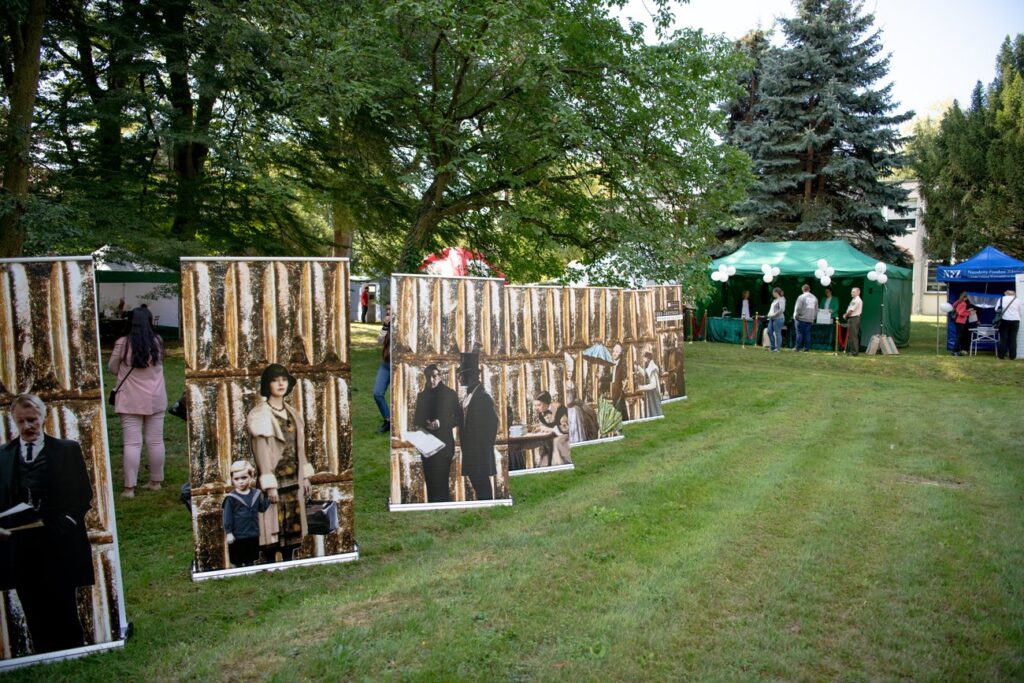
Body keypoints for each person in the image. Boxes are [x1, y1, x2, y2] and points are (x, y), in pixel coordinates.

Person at [0, 394, 94, 654]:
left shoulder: (67, 450)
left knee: (64, 605)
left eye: (32, 420)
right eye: (21, 421)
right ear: (13, 421)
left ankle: (74, 654)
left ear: (44, 417)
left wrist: (68, 520)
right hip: (19, 547)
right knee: (32, 608)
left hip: (59, 544)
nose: (27, 426)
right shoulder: (3, 456)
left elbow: (83, 494)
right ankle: (42, 656)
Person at [247, 364, 313, 563]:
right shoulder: (260, 414)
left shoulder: (293, 413)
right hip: (276, 480)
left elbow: (300, 447)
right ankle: (269, 564)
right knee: (272, 526)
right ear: (268, 385)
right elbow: (261, 452)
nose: (280, 383)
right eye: (275, 380)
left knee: (293, 525)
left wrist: (306, 476)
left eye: (283, 379)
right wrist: (269, 486)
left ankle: (289, 561)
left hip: (294, 478)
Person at [109, 306, 167, 497]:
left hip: (130, 400)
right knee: (155, 441)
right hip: (156, 398)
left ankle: (129, 488)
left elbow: (112, 368)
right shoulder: (158, 342)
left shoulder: (122, 343)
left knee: (132, 444)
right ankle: (156, 481)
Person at [412, 364, 463, 502]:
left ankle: (443, 508)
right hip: (427, 446)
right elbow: (416, 420)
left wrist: (440, 423)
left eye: (434, 376)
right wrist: (424, 424)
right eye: (428, 377)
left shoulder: (450, 394)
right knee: (430, 484)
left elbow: (458, 417)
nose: (431, 380)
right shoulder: (422, 396)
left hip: (444, 446)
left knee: (441, 483)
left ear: (440, 376)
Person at [457, 351, 498, 500]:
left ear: (470, 376)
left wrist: (482, 447)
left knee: (482, 485)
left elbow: (493, 423)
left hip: (479, 453)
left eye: (461, 374)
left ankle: (488, 507)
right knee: (477, 484)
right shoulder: (469, 396)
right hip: (470, 452)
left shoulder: (483, 397)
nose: (459, 377)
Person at [222, 460, 269, 568]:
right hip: (238, 536)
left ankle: (250, 571)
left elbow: (261, 508)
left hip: (252, 533)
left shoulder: (256, 494)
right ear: (232, 480)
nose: (240, 482)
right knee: (238, 560)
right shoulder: (231, 498)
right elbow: (227, 516)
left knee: (251, 558)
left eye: (244, 478)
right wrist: (229, 532)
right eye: (236, 479)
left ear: (251, 477)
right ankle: (238, 573)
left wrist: (269, 499)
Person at [530, 391, 570, 468]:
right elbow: (548, 424)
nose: (536, 408)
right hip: (553, 436)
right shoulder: (541, 413)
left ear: (546, 403)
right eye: (534, 405)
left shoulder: (560, 409)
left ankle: (559, 466)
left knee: (556, 442)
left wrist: (548, 429)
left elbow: (566, 428)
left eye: (538, 405)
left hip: (566, 437)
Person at [374, 304, 392, 434]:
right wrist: (385, 326)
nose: (388, 312)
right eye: (387, 310)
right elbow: (379, 341)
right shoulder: (386, 327)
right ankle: (388, 420)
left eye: (391, 310)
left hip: (398, 366)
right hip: (385, 365)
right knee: (377, 393)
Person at [636, 351, 663, 418]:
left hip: (654, 393)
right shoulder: (650, 367)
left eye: (644, 358)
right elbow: (645, 374)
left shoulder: (653, 368)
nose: (643, 360)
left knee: (655, 410)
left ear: (648, 358)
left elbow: (653, 385)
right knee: (652, 410)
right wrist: (638, 366)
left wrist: (642, 387)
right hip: (651, 393)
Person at [793, 284, 819, 352]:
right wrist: (814, 318)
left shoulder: (801, 297)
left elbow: (798, 307)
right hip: (810, 319)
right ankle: (806, 348)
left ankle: (797, 348)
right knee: (807, 334)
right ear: (809, 289)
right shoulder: (814, 298)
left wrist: (796, 315)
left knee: (799, 333)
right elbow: (816, 309)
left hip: (801, 318)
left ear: (802, 290)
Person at [996, 289, 1020, 360]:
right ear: (1013, 294)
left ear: (1006, 294)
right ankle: (1013, 356)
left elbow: (996, 309)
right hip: (1015, 320)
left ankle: (1001, 356)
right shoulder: (1017, 300)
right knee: (1013, 338)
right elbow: (1020, 310)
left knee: (1003, 338)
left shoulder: (1001, 299)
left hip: (1004, 320)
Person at [609, 342, 629, 422]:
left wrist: (624, 385)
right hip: (613, 393)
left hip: (619, 394)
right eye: (613, 351)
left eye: (616, 352)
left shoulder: (622, 365)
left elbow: (625, 379)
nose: (614, 353)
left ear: (620, 353)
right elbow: (612, 378)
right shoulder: (612, 364)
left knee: (621, 415)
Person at [950, 292, 976, 356]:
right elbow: (961, 313)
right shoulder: (963, 303)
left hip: (957, 321)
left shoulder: (958, 302)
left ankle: (956, 350)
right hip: (961, 322)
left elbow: (956, 309)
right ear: (966, 297)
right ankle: (955, 351)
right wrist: (969, 313)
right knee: (959, 337)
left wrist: (967, 311)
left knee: (958, 337)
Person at [842, 287, 863, 356]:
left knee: (853, 336)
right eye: (852, 291)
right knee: (851, 336)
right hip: (852, 318)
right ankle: (852, 351)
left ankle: (854, 352)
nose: (852, 293)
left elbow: (851, 310)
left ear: (858, 292)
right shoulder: (854, 299)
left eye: (853, 292)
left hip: (854, 318)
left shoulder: (857, 300)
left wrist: (845, 315)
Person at [766, 287, 786, 352]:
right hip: (771, 318)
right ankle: (773, 347)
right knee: (769, 332)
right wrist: (769, 315)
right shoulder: (775, 300)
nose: (773, 294)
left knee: (778, 333)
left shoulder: (782, 299)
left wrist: (774, 315)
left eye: (773, 293)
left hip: (778, 319)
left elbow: (781, 310)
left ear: (776, 292)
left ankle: (777, 349)